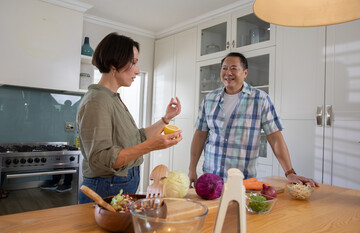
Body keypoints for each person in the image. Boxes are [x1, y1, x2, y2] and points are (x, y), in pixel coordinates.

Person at [77, 32, 182, 204]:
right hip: (105, 187)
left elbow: (136, 137)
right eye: (133, 62)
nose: (138, 70)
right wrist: (150, 146)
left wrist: (165, 119)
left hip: (116, 186)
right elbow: (101, 160)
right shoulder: (97, 101)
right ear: (113, 64)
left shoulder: (112, 97)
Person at [188, 52, 319, 187]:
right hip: (211, 178)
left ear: (245, 73)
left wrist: (289, 172)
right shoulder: (209, 99)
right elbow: (200, 136)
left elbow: (275, 138)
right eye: (224, 68)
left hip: (243, 181)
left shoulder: (260, 99)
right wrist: (192, 169)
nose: (228, 72)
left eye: (233, 68)